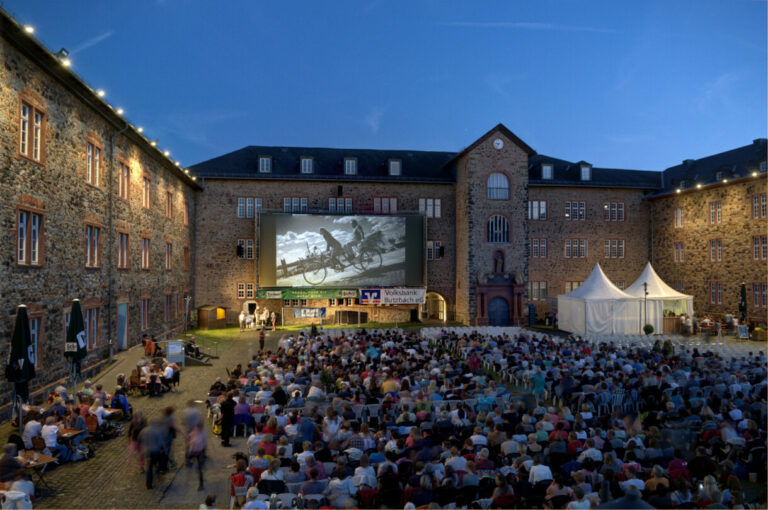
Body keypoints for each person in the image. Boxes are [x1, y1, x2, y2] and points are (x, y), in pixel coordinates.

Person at [139, 417, 167, 489]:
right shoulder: (157, 431)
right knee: (157, 463)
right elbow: (161, 442)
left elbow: (139, 439)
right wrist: (164, 449)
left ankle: (149, 484)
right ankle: (158, 472)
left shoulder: (143, 431)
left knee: (149, 467)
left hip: (147, 451)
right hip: (155, 451)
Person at [186, 421, 207, 490]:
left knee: (199, 469)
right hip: (195, 451)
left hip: (199, 452)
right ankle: (191, 463)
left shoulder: (202, 434)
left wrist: (190, 442)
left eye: (196, 427)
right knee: (189, 458)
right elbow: (189, 437)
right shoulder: (196, 432)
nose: (195, 428)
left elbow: (197, 441)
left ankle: (201, 485)